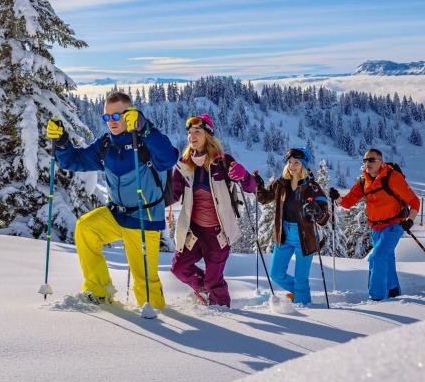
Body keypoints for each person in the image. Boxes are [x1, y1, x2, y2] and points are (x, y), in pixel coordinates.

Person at [46, 91, 178, 308]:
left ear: (130, 114)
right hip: (116, 214)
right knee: (86, 228)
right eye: (107, 117)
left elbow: (169, 158)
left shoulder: (146, 141)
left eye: (116, 116)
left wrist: (145, 127)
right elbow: (75, 161)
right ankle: (99, 291)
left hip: (143, 218)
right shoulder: (107, 144)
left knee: (145, 281)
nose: (111, 122)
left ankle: (155, 313)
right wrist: (61, 143)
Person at [170, 114, 256, 307]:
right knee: (180, 268)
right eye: (190, 133)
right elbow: (173, 195)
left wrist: (244, 176)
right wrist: (152, 198)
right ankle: (203, 291)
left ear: (208, 136)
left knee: (214, 281)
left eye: (197, 132)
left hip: (218, 234)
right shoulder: (184, 165)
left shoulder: (222, 162)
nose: (192, 136)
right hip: (194, 232)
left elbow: (251, 188)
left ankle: (222, 313)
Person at [329, 148, 420, 301]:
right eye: (365, 160)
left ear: (381, 162)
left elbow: (414, 201)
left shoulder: (392, 177)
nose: (367, 163)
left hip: (393, 226)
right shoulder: (364, 180)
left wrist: (410, 220)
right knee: (387, 259)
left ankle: (376, 298)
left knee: (377, 258)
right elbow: (347, 202)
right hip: (375, 229)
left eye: (371, 160)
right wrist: (337, 197)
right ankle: (394, 293)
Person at [255, 147, 328, 305]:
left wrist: (317, 211)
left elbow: (324, 218)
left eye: (296, 163)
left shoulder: (313, 188)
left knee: (301, 280)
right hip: (284, 234)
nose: (292, 166)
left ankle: (304, 306)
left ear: (304, 165)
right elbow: (265, 198)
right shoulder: (282, 183)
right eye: (290, 162)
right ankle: (300, 294)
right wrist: (258, 187)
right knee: (276, 274)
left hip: (305, 238)